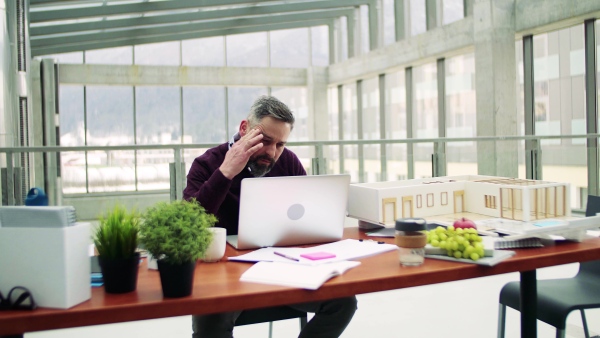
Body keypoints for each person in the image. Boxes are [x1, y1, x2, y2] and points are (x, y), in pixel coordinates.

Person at [183, 95, 357, 338]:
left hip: (281, 266)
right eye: (265, 140)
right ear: (244, 129)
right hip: (224, 273)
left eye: (280, 144)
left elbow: (307, 217)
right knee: (211, 321)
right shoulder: (207, 164)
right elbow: (189, 223)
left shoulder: (288, 162)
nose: (272, 152)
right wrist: (226, 172)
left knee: (343, 302)